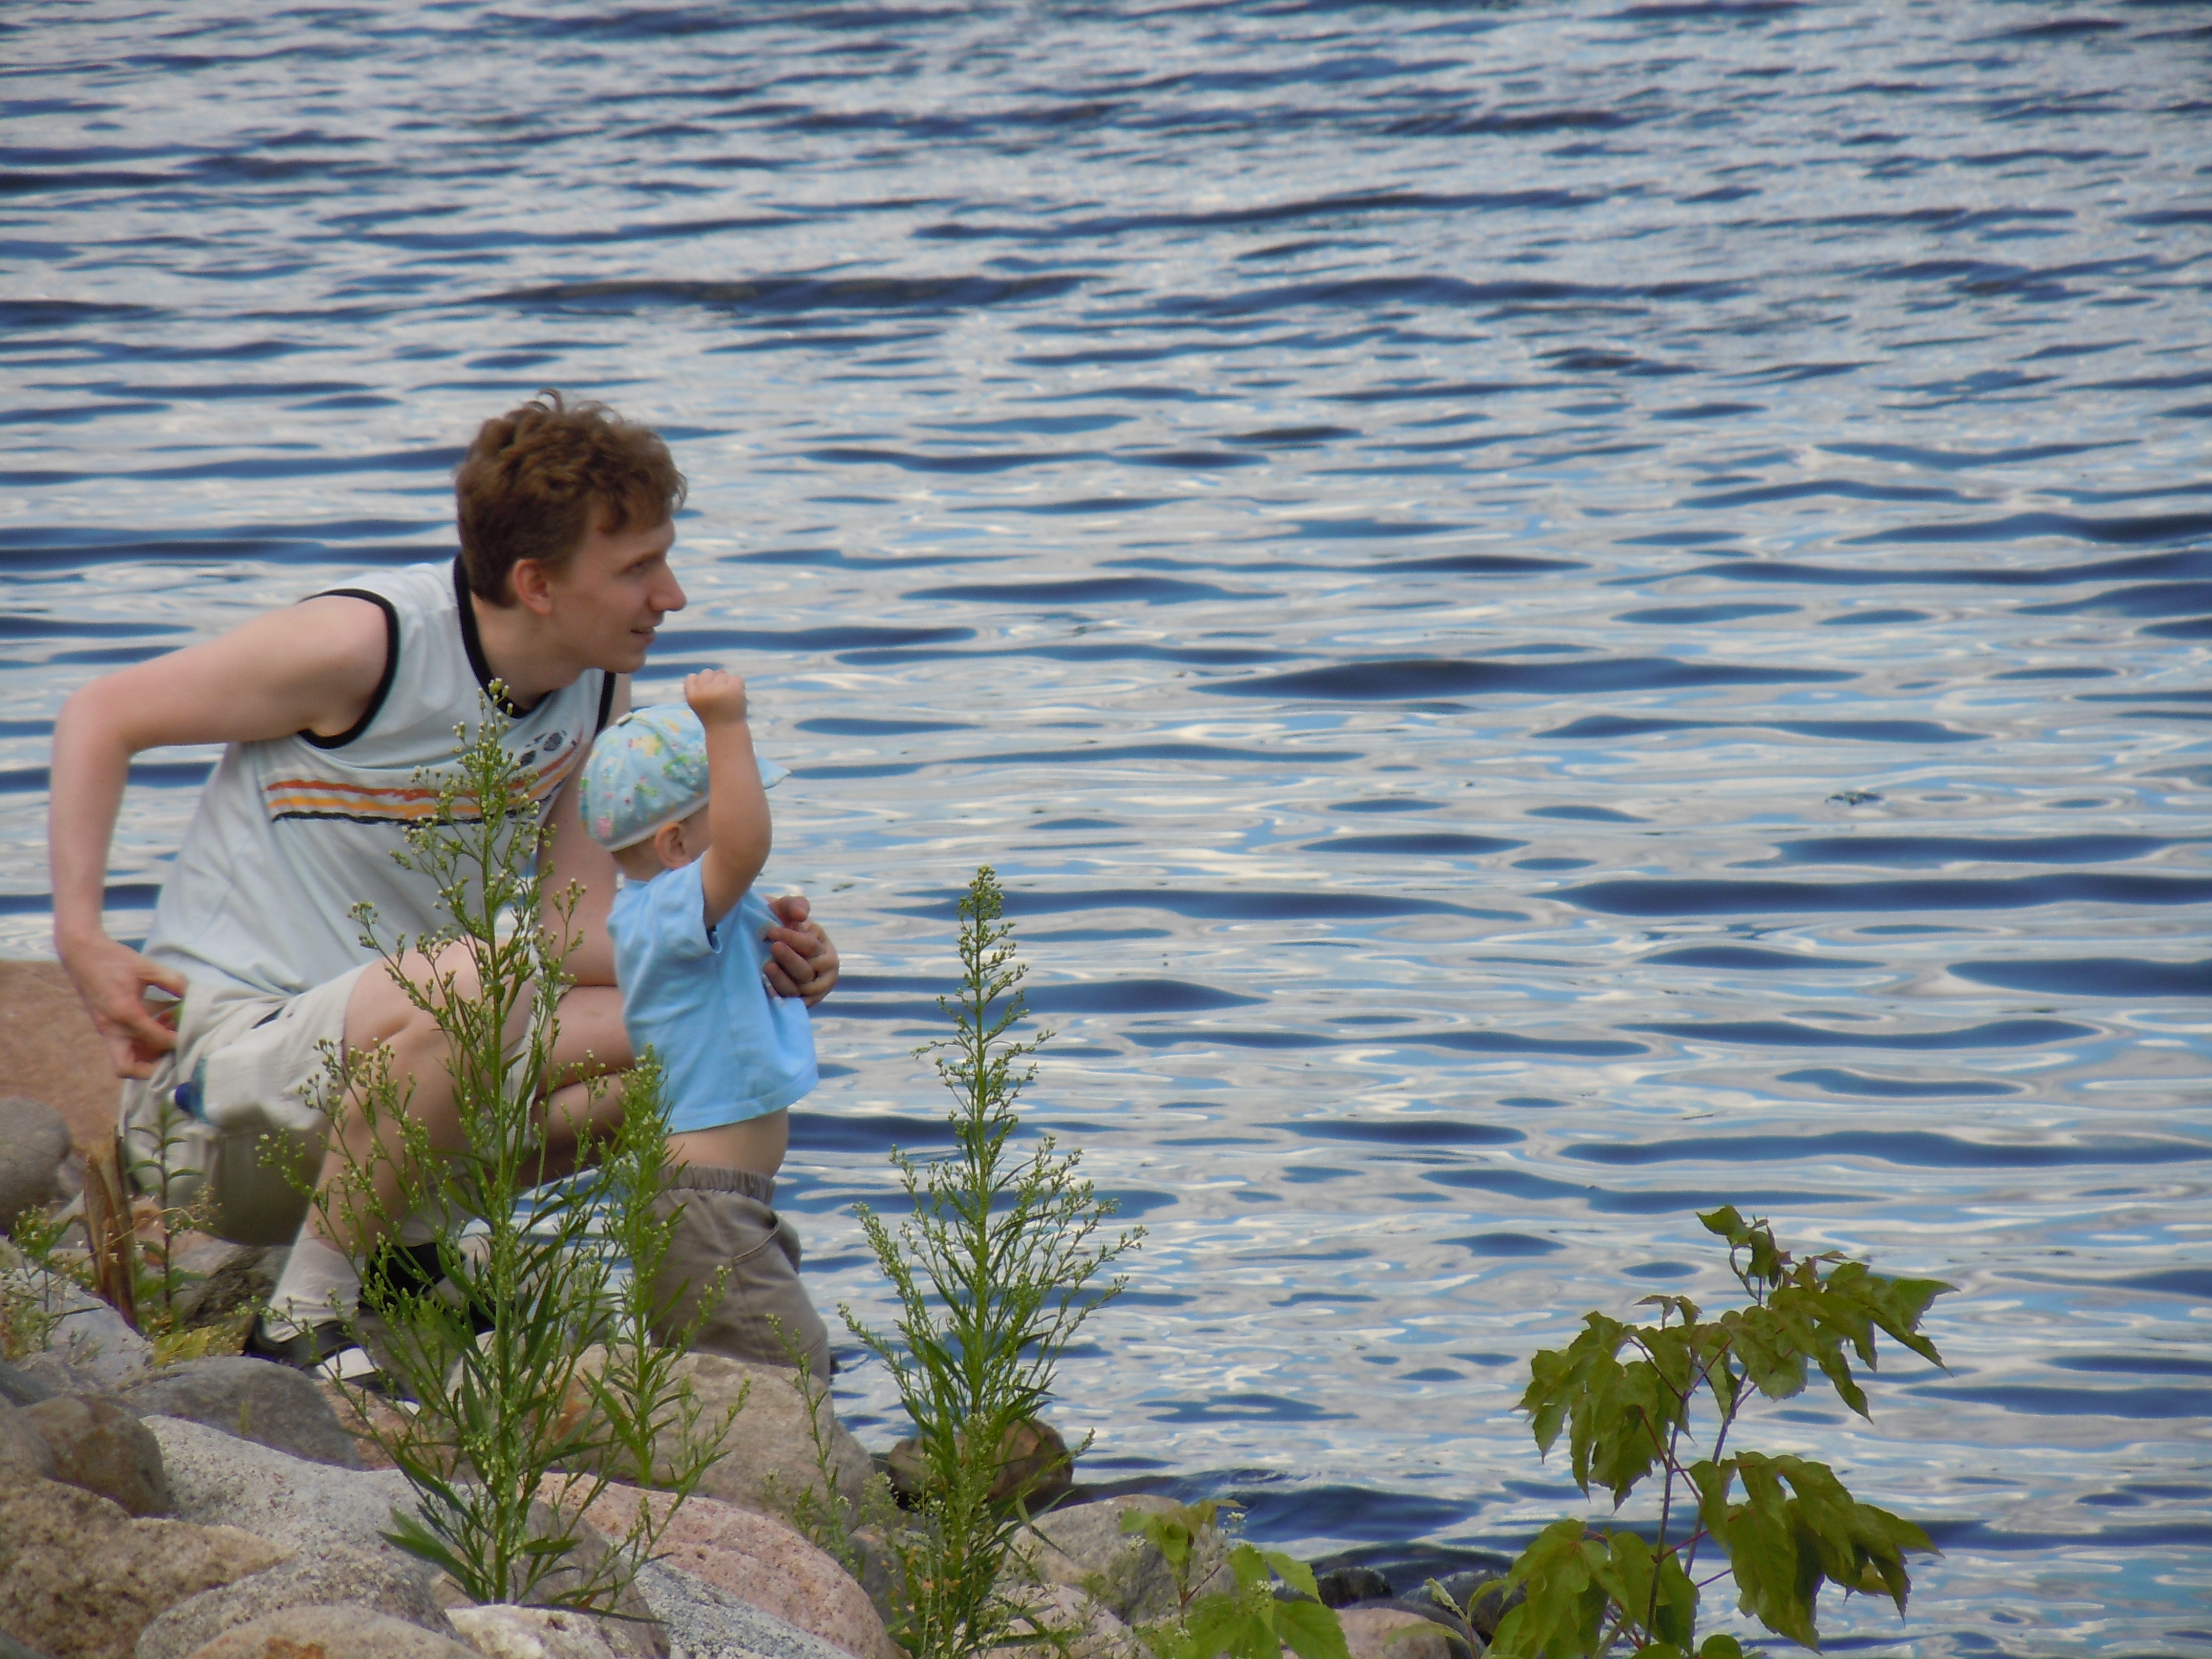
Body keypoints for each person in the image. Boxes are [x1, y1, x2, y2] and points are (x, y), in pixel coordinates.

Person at [46, 391, 840, 1363]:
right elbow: (101, 714)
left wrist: (746, 946)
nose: (669, 595)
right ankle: (302, 1315)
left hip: (399, 1096)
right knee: (484, 982)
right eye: (638, 568)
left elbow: (574, 935)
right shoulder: (367, 644)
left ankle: (708, 1344)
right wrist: (80, 935)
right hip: (219, 1106)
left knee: (694, 1025)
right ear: (536, 583)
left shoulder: (595, 684)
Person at [572, 671, 830, 1377]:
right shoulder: (667, 909)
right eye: (734, 800)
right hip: (705, 1205)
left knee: (748, 1373)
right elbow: (745, 848)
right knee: (786, 1373)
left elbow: (749, 981)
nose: (754, 813)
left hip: (717, 1203)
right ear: (678, 847)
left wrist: (805, 952)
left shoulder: (682, 916)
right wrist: (725, 724)